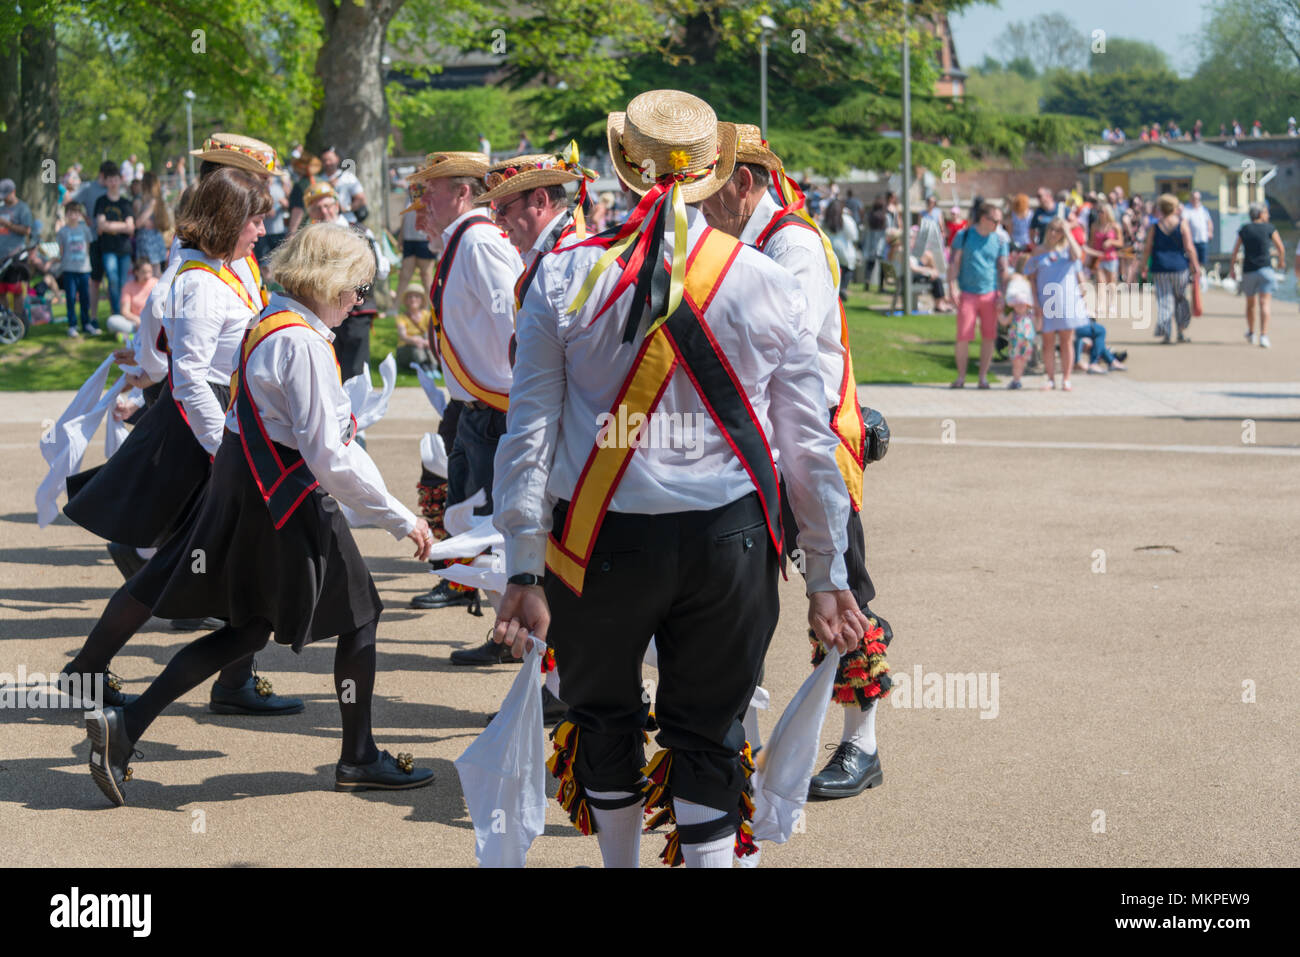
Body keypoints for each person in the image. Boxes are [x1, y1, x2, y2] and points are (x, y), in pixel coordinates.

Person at [491, 90, 866, 868]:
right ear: (715, 170)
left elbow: (527, 432)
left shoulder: (562, 279)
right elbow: (807, 441)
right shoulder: (768, 280)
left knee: (602, 718)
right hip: (729, 544)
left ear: (625, 170)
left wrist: (523, 561)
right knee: (711, 729)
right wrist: (827, 570)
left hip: (595, 544)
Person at [83, 223, 435, 806]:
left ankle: (128, 726)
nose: (360, 301)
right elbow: (329, 456)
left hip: (254, 493)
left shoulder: (270, 319)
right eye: (358, 288)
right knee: (360, 616)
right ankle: (359, 756)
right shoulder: (301, 341)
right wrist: (401, 517)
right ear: (331, 280)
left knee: (247, 629)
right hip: (291, 499)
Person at [63, 163, 304, 717]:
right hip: (204, 432)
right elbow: (190, 376)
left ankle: (228, 679)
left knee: (234, 557)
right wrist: (225, 451)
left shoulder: (226, 269)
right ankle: (89, 670)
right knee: (179, 564)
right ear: (227, 220)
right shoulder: (197, 283)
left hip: (222, 423)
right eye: (254, 220)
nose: (261, 231)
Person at [702, 122, 894, 798]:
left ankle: (860, 746)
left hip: (812, 449)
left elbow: (785, 346)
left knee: (844, 595)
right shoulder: (737, 239)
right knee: (737, 600)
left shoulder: (793, 244)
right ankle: (739, 745)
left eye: (707, 189)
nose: (696, 204)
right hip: (757, 451)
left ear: (743, 184)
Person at [400, 151, 521, 615]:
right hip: (477, 407)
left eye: (433, 190)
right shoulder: (464, 241)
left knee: (493, 525)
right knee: (472, 516)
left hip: (495, 407)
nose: (424, 200)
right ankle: (497, 619)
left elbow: (512, 324)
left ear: (463, 193)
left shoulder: (479, 243)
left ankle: (514, 630)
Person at [302, 181, 388, 378]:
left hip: (356, 311)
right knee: (328, 371)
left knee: (356, 374)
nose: (324, 212)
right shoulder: (308, 238)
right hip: (321, 313)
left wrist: (358, 295)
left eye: (328, 206)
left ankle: (357, 410)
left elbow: (379, 269)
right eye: (317, 208)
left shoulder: (360, 231)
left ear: (337, 205)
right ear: (311, 213)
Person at [946, 202, 1009, 388]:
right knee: (963, 336)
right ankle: (961, 377)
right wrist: (952, 287)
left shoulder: (999, 240)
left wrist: (1003, 295)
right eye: (995, 221)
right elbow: (953, 263)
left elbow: (1003, 268)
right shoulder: (964, 236)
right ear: (984, 218)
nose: (998, 225)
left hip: (990, 293)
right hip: (967, 293)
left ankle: (983, 377)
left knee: (989, 336)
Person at [1025, 219, 1088, 390]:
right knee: (1048, 341)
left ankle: (1066, 378)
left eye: (1058, 231)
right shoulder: (1039, 251)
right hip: (1047, 300)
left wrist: (1068, 232)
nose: (1054, 233)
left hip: (1067, 299)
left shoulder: (1067, 251)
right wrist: (1036, 301)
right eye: (1052, 229)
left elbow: (1078, 254)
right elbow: (1032, 278)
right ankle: (1050, 378)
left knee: (1067, 340)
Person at [1141, 193, 1199, 344]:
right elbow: (1189, 247)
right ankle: (1180, 331)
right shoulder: (1182, 224)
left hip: (1160, 267)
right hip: (1179, 267)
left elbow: (1147, 248)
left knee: (1164, 300)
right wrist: (1195, 265)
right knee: (1180, 299)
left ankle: (1167, 333)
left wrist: (1143, 267)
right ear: (1174, 207)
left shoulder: (1155, 226)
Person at [1229, 202, 1286, 348]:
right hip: (1266, 269)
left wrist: (1232, 269)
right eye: (1266, 212)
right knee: (1265, 303)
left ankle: (1251, 332)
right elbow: (1280, 247)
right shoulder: (1269, 228)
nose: (1268, 215)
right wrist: (1281, 262)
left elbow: (1235, 251)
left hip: (1249, 270)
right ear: (1260, 214)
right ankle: (1264, 335)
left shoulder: (1245, 229)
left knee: (1250, 304)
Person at [94, 166, 135, 319]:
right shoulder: (102, 202)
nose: (113, 183)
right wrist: (122, 226)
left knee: (123, 282)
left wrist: (109, 226)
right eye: (110, 180)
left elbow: (131, 227)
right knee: (112, 280)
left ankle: (124, 314)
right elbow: (100, 225)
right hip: (108, 248)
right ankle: (116, 313)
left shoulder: (125, 203)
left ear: (120, 180)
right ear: (106, 182)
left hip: (124, 248)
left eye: (115, 179)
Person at [56, 201, 95, 335]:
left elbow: (88, 248)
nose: (73, 216)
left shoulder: (85, 229)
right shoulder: (62, 231)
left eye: (76, 213)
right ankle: (72, 324)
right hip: (69, 269)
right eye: (71, 213)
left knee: (85, 298)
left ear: (80, 214)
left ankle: (86, 323)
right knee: (71, 297)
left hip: (84, 269)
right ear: (66, 214)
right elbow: (61, 251)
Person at [0, 178, 36, 317]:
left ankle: (18, 320)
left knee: (16, 290)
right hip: (1, 255)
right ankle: (5, 320)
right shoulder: (1, 208)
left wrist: (7, 224)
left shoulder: (23, 208)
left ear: (13, 192)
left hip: (16, 255)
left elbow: (27, 230)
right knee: (1, 290)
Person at [999, 273, 1037, 389]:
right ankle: (1016, 379)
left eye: (1022, 304)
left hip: (1026, 342)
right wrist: (998, 313)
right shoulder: (1013, 315)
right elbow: (1004, 321)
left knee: (1022, 361)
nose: (1020, 307)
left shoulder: (1030, 316)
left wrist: (1040, 319)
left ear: (1027, 305)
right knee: (1016, 361)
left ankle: (1017, 378)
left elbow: (1037, 326)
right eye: (1018, 304)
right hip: (1015, 341)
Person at [396, 202, 436, 305]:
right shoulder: (409, 194)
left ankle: (432, 307)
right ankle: (394, 307)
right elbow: (405, 218)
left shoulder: (430, 192)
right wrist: (401, 238)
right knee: (404, 275)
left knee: (426, 276)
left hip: (425, 239)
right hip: (409, 240)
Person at [1088, 201, 1122, 318]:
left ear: (1107, 213)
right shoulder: (1094, 226)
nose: (1099, 214)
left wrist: (1111, 242)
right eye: (1098, 211)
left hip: (1111, 257)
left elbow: (1120, 242)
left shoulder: (1115, 226)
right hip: (1099, 257)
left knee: (1111, 282)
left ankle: (1112, 304)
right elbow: (1091, 242)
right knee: (1100, 282)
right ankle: (1100, 305)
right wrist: (1090, 257)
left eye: (1101, 211)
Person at [106, 259, 157, 336]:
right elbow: (125, 311)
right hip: (136, 321)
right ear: (136, 272)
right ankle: (139, 333)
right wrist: (138, 321)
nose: (147, 276)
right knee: (112, 321)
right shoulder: (128, 286)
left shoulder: (156, 283)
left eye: (150, 272)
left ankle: (133, 335)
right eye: (144, 272)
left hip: (153, 320)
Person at [822, 196, 859, 301]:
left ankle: (836, 291)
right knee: (847, 271)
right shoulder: (846, 219)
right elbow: (854, 236)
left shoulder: (825, 220)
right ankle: (843, 289)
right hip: (845, 252)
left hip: (830, 251)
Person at [132, 171, 169, 273]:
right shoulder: (141, 201)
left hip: (151, 240)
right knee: (149, 270)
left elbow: (163, 222)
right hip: (147, 240)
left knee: (155, 270)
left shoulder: (154, 201)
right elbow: (138, 223)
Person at [395, 280, 435, 371]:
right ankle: (424, 367)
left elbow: (433, 333)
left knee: (429, 345)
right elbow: (403, 336)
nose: (413, 299)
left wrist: (427, 342)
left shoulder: (427, 315)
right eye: (410, 297)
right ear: (406, 300)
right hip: (407, 349)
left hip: (425, 346)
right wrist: (415, 340)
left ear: (422, 300)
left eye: (416, 296)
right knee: (416, 347)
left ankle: (433, 367)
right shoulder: (402, 317)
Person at [320, 147, 366, 223]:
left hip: (348, 222)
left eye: (330, 160)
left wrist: (344, 209)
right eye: (324, 161)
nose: (327, 163)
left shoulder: (348, 177)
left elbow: (361, 200)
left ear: (337, 159)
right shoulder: (318, 180)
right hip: (325, 224)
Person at [1183, 191, 1213, 288]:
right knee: (1192, 260)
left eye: (1198, 198)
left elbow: (1209, 222)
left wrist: (1210, 232)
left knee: (1201, 260)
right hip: (1192, 240)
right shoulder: (1187, 209)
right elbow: (1185, 223)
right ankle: (1193, 278)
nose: (1196, 200)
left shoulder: (1203, 209)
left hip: (1202, 239)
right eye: (1194, 198)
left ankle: (1198, 278)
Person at [287, 152, 322, 234]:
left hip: (305, 229)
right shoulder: (322, 181)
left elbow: (298, 210)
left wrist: (291, 233)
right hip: (321, 226)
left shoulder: (300, 185)